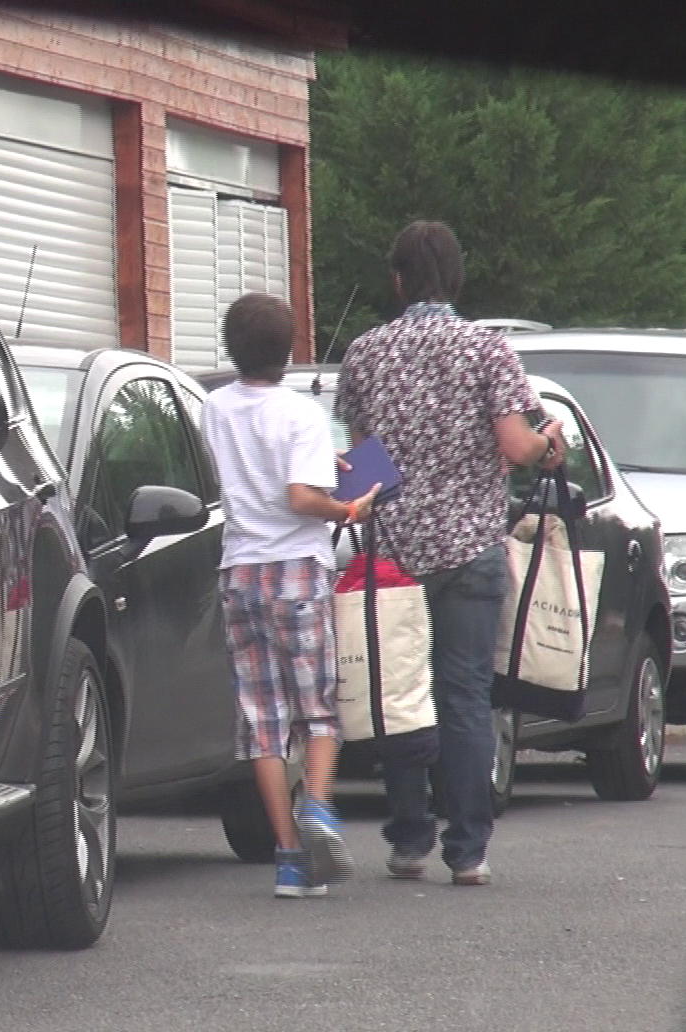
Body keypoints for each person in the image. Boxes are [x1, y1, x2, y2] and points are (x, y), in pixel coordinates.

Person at [336, 221, 563, 887]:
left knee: (400, 692)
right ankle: (468, 851)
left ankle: (409, 839)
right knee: (465, 694)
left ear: (398, 280)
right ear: (456, 277)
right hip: (470, 552)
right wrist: (553, 444)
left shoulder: (366, 353)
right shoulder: (487, 351)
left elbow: (362, 463)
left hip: (395, 556)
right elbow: (519, 449)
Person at [205, 292, 378, 898]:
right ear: (290, 349)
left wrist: (313, 464)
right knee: (316, 708)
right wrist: (348, 505)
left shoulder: (214, 406)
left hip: (240, 572)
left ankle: (287, 858)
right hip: (297, 572)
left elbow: (255, 463)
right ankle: (321, 805)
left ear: (231, 347)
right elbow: (301, 498)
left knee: (262, 721)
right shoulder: (303, 414)